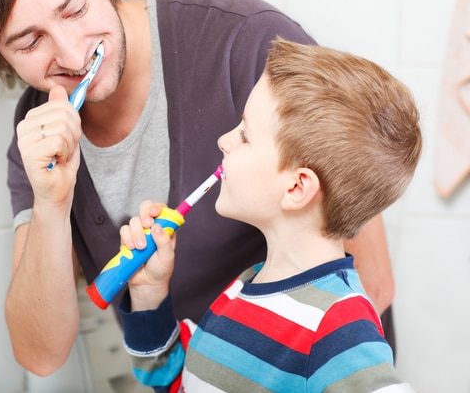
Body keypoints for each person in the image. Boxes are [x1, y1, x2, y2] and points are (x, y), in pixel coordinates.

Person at [0, 0, 397, 375]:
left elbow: (374, 281)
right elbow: (40, 354)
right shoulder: (38, 143)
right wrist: (52, 205)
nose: (73, 54)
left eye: (75, 9)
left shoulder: (247, 45)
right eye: (31, 42)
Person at [118, 39, 421, 392]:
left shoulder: (339, 326)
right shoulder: (244, 290)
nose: (224, 140)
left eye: (245, 134)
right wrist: (148, 294)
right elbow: (180, 382)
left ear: (296, 188)